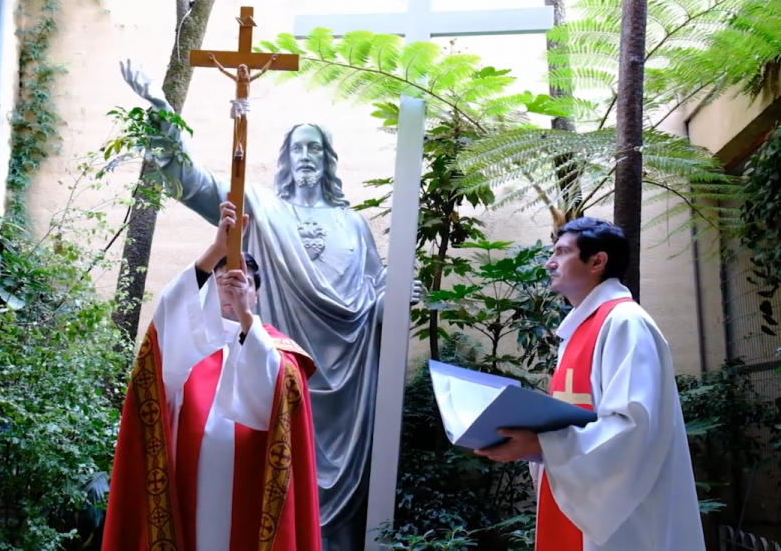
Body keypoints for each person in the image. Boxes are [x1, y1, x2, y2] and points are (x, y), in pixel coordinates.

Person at [119, 60, 422, 550]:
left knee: (345, 511)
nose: (306, 156)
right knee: (263, 489)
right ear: (286, 157)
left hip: (347, 388)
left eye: (315, 148)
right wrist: (162, 113)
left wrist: (397, 298)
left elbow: (373, 304)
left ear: (329, 160)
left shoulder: (355, 227)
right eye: (298, 147)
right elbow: (190, 182)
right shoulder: (259, 208)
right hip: (268, 378)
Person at [473, 217, 705, 551]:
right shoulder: (580, 328)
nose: (550, 262)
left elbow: (633, 430)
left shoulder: (626, 323)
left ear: (597, 261)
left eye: (562, 252)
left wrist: (542, 445)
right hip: (579, 502)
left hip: (623, 518)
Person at [102, 200, 322, 551]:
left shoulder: (278, 352)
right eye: (223, 281)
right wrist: (217, 249)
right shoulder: (189, 347)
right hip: (187, 499)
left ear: (257, 293)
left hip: (253, 502)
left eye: (243, 282)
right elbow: (168, 316)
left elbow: (274, 395)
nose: (232, 288)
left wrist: (246, 319)